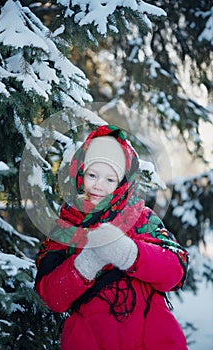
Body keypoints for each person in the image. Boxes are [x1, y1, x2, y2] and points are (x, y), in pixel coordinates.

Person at [35, 124, 189, 350]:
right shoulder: (66, 229)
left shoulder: (141, 218)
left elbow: (175, 271)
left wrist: (130, 254)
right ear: (80, 174)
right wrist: (87, 263)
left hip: (155, 338)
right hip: (90, 340)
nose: (99, 185)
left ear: (122, 183)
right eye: (93, 175)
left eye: (110, 179)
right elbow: (51, 296)